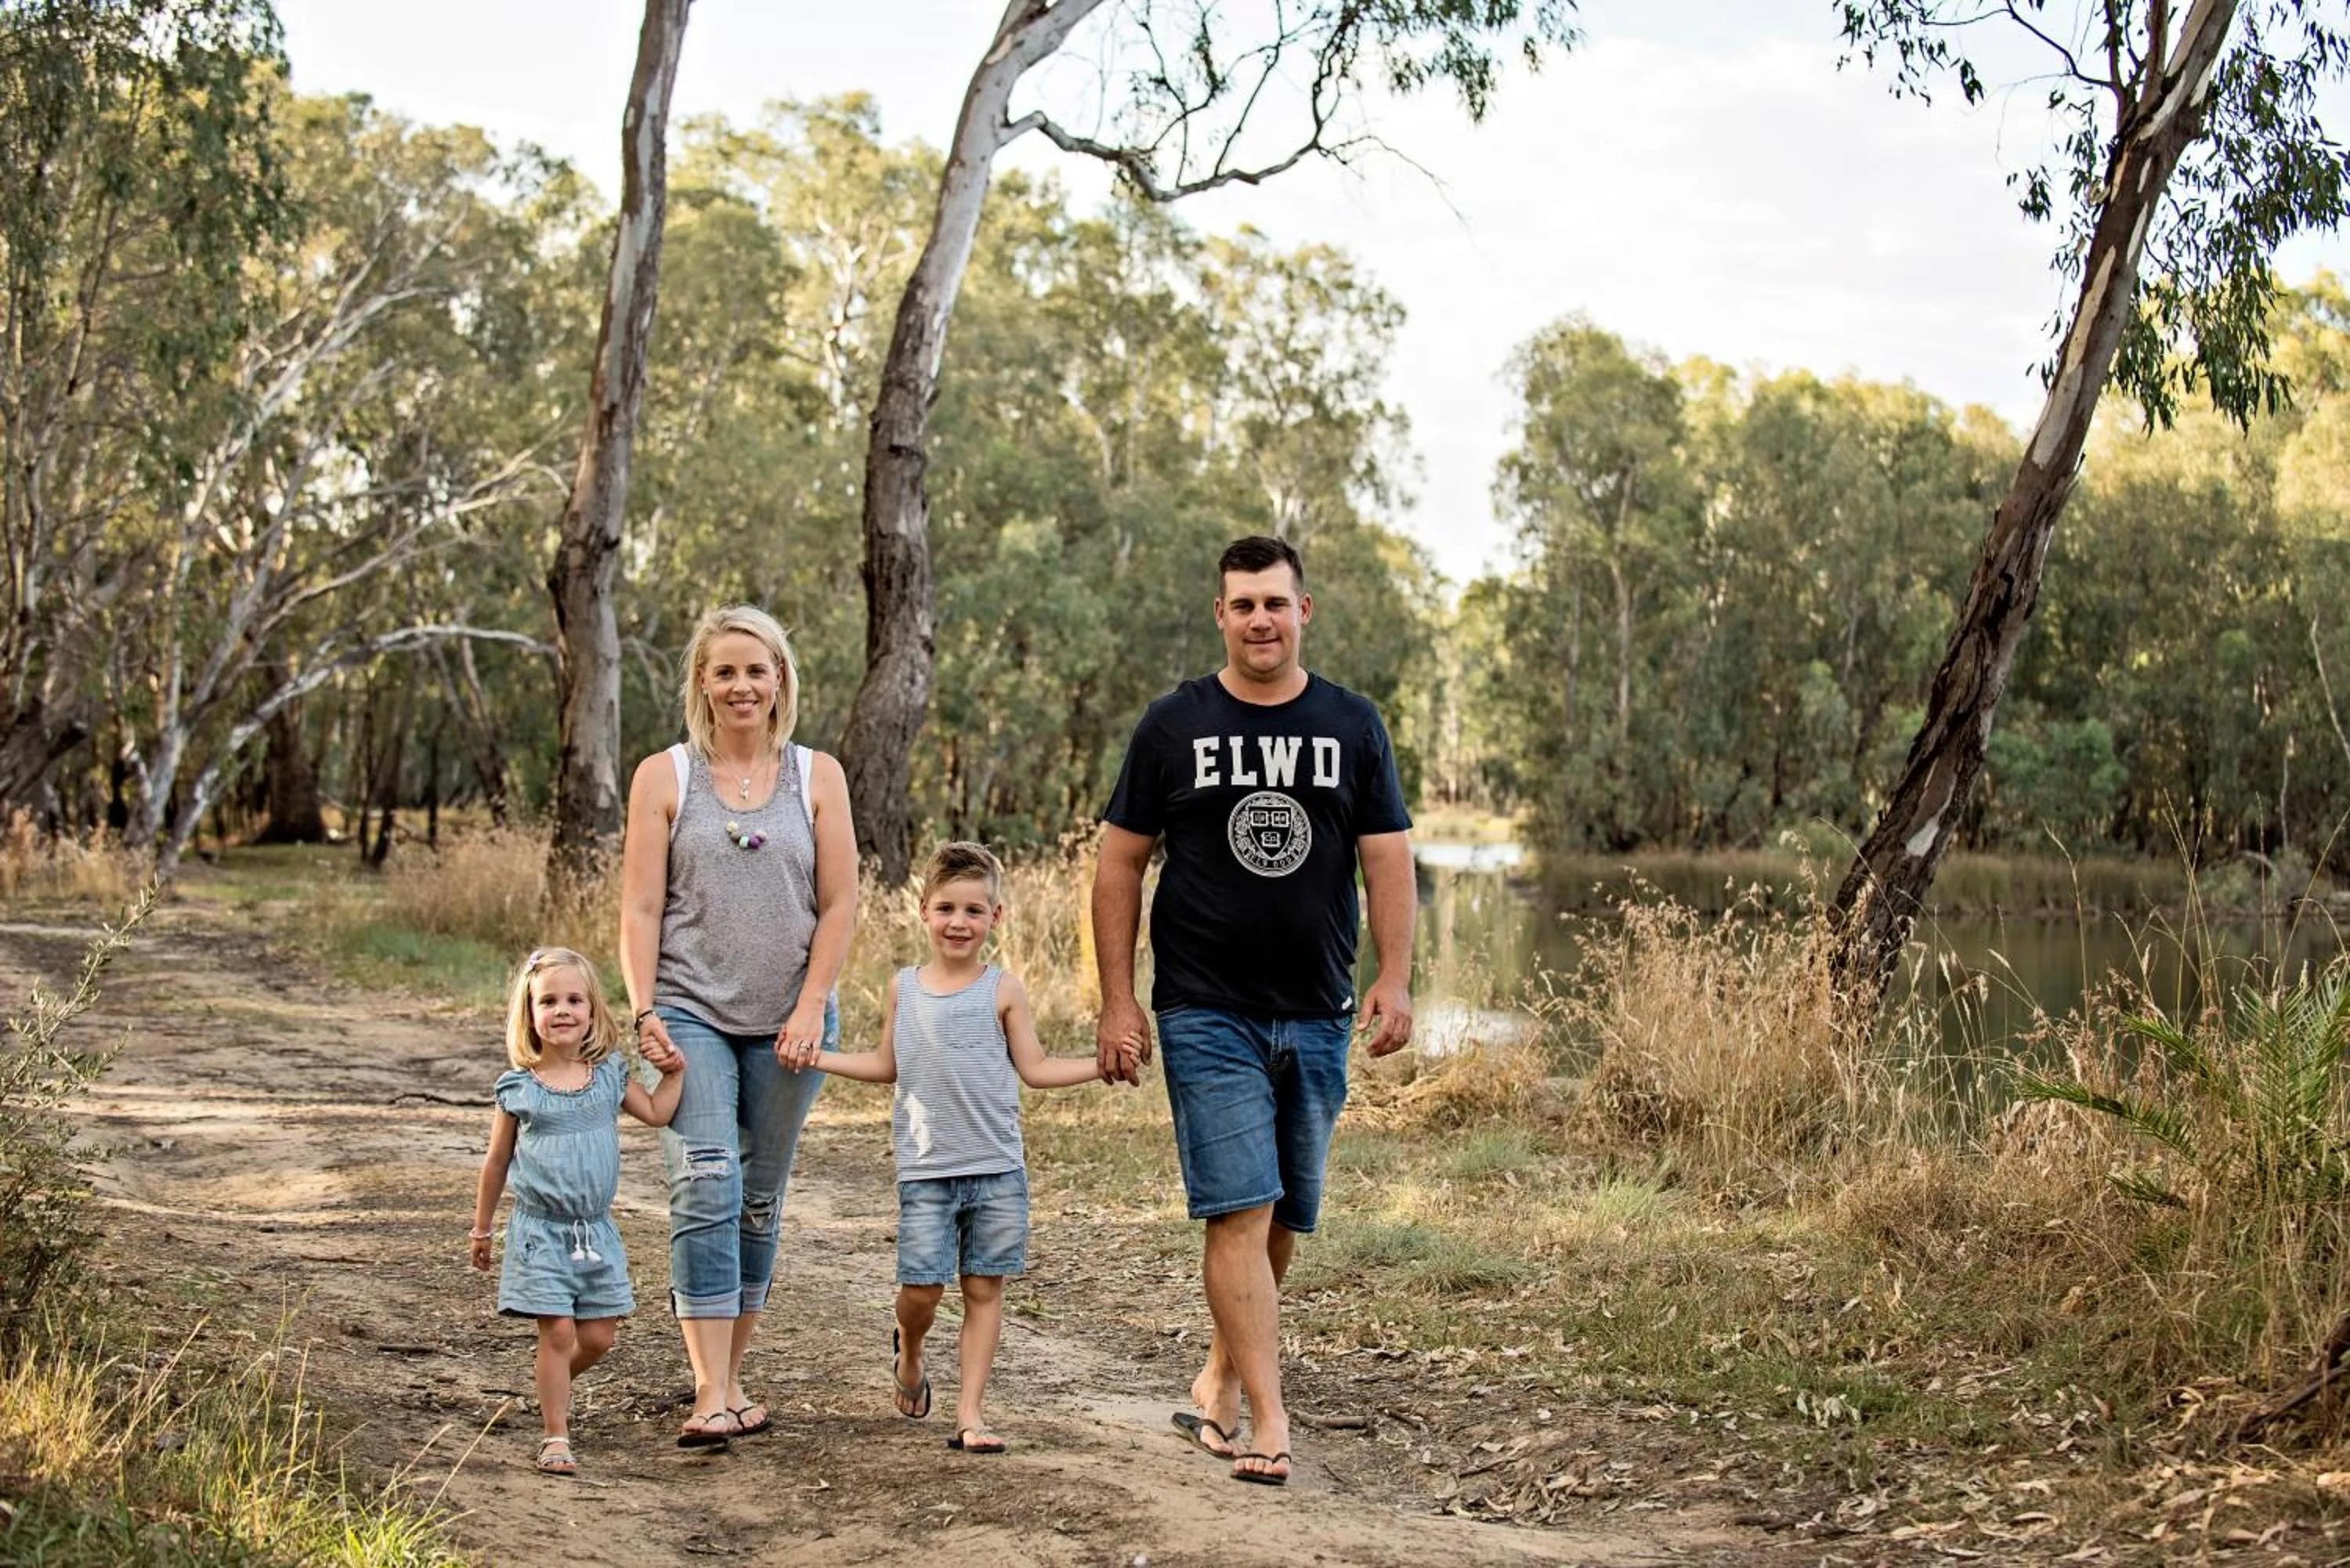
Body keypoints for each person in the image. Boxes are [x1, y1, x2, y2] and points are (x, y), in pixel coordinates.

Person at [1091, 534, 1415, 1487]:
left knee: (1284, 1213)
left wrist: (1393, 977)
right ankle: (1270, 1421)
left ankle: (1222, 1377)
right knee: (1241, 1205)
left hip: (1316, 1007)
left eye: (1275, 602)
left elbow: (1387, 857)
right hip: (1205, 1006)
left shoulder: (1353, 725)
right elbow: (1118, 861)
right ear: (1220, 615)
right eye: (1242, 605)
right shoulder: (1172, 724)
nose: (1260, 620)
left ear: (1304, 610)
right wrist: (1119, 999)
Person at [619, 604, 858, 1449]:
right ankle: (711, 1389)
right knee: (708, 1182)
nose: (741, 685)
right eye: (724, 671)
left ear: (780, 678)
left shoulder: (818, 775)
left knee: (759, 1196)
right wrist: (643, 1007)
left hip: (793, 1020)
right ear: (702, 684)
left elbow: (839, 904)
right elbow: (642, 906)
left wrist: (809, 1003)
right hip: (691, 1009)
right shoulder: (665, 776)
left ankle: (731, 1373)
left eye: (756, 669)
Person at [804, 840, 1112, 1454]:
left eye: (975, 911)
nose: (959, 922)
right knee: (922, 1291)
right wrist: (817, 1057)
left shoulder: (1003, 990)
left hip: (997, 1169)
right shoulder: (903, 988)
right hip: (927, 1170)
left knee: (983, 1290)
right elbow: (886, 1063)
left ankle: (970, 1412)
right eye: (947, 908)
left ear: (996, 918)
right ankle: (911, 1351)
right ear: (923, 911)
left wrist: (1100, 1068)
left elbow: (1037, 1067)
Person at [470, 945, 686, 1477]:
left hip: (595, 1231)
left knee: (598, 1337)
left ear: (592, 1011)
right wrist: (481, 1229)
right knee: (560, 1332)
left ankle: (551, 1384)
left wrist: (675, 1071)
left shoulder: (608, 1074)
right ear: (531, 1015)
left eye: (573, 999)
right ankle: (555, 1435)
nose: (562, 1010)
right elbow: (497, 1162)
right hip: (539, 1230)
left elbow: (658, 1113)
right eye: (548, 1001)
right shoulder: (519, 1088)